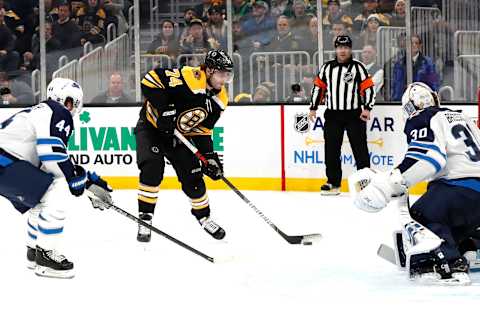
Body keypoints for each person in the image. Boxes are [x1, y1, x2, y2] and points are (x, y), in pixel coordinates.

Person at [350, 82, 480, 285]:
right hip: (472, 195)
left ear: (410, 106)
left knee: (420, 216)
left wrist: (389, 184)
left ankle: (448, 264)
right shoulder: (462, 117)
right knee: (448, 214)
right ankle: (470, 247)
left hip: (460, 188)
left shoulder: (423, 117)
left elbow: (428, 159)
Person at [0, 77, 112, 278]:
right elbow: (52, 156)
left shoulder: (41, 111)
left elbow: (50, 164)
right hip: (5, 163)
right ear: (69, 101)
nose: (74, 108)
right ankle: (45, 256)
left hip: (6, 164)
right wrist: (74, 181)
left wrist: (86, 182)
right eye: (74, 103)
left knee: (44, 194)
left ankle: (34, 252)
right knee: (58, 188)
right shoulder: (58, 111)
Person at [135, 49, 233, 242]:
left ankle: (204, 217)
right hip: (151, 128)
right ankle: (145, 217)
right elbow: (149, 80)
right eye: (222, 74)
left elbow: (202, 131)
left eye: (227, 74)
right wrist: (166, 109)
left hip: (180, 137)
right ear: (211, 71)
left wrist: (210, 157)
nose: (225, 79)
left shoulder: (220, 100)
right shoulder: (190, 77)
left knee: (193, 175)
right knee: (152, 167)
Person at [308, 35, 376, 195]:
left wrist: (367, 108)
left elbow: (368, 88)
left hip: (354, 114)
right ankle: (333, 183)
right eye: (340, 47)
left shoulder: (358, 67)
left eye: (346, 47)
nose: (343, 50)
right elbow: (318, 88)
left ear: (350, 49)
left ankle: (365, 183)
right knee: (331, 149)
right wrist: (313, 107)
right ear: (336, 49)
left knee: (360, 149)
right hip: (333, 115)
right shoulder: (327, 68)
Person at [391, 35, 440, 100]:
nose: (414, 45)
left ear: (420, 46)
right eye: (411, 43)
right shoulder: (399, 64)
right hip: (402, 100)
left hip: (421, 100)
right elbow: (395, 84)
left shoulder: (428, 63)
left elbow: (433, 82)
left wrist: (432, 97)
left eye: (416, 43)